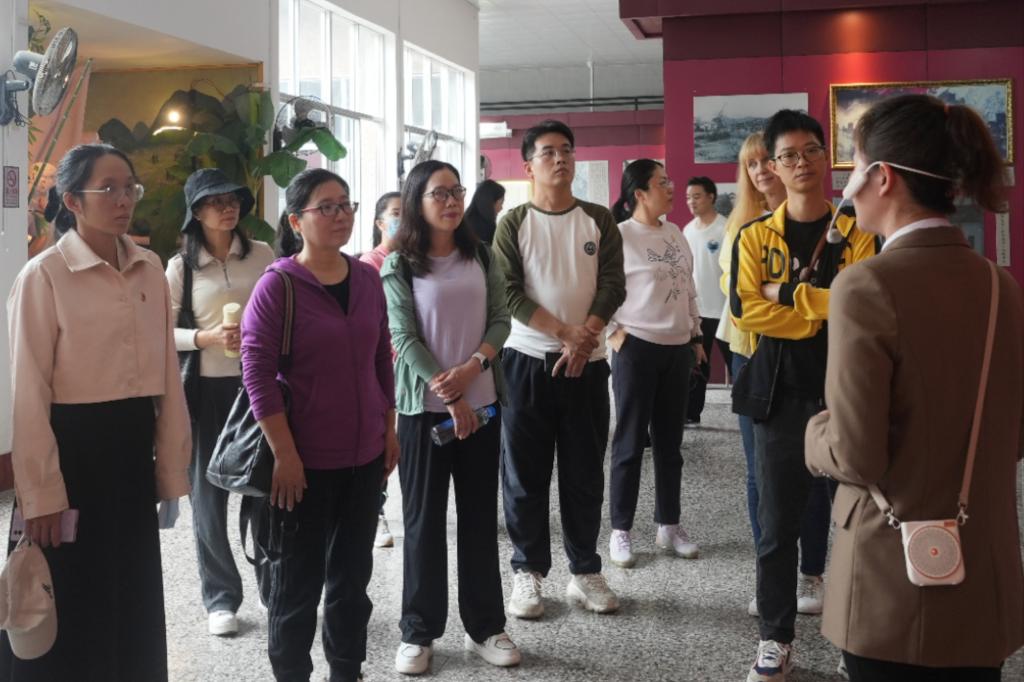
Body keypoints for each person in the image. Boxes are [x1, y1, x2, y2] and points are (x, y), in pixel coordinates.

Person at [805, 94, 1024, 681]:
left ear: (883, 177)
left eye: (854, 167)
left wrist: (814, 432)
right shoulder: (1000, 286)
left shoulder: (865, 285)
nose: (847, 187)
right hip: (983, 580)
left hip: (890, 580)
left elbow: (856, 453)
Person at [1, 143, 191, 680]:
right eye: (107, 189)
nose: (123, 199)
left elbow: (167, 379)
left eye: (130, 187)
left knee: (130, 590)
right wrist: (40, 493)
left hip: (129, 453)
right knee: (67, 594)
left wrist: (170, 467)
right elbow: (28, 393)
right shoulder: (44, 276)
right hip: (71, 454)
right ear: (72, 201)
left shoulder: (149, 270)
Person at [729, 110, 877, 682]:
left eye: (811, 150)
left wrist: (787, 294)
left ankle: (855, 638)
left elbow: (861, 305)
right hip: (779, 394)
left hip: (848, 392)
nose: (801, 162)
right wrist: (819, 306)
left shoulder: (859, 231)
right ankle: (774, 638)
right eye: (788, 154)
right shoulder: (754, 235)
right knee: (776, 526)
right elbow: (746, 309)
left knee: (858, 523)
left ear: (825, 156)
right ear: (772, 164)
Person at [241, 168, 399, 682]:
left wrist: (389, 428)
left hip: (364, 458)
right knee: (296, 586)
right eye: (326, 207)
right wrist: (284, 454)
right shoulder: (278, 286)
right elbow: (256, 374)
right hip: (303, 465)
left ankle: (346, 671)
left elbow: (380, 357)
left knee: (352, 584)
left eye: (345, 204)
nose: (340, 215)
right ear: (296, 221)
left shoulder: (367, 278)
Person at [382, 160, 520, 675]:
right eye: (439, 193)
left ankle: (485, 625)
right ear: (416, 202)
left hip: (483, 407)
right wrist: (451, 392)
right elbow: (403, 336)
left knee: (480, 518)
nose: (451, 201)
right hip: (424, 413)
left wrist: (472, 369)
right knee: (422, 522)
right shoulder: (399, 264)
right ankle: (418, 631)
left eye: (457, 191)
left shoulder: (480, 254)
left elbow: (501, 319)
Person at [492, 119, 626, 619]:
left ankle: (584, 569)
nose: (560, 158)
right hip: (526, 362)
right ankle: (527, 570)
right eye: (547, 152)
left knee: (584, 472)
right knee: (524, 475)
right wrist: (564, 332)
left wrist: (584, 336)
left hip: (587, 366)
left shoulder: (597, 219)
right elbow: (507, 291)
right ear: (528, 166)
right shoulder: (514, 222)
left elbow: (613, 284)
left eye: (566, 150)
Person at [717, 132, 829, 619]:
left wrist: (782, 296)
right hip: (754, 358)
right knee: (763, 476)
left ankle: (813, 572)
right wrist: (812, 314)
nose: (762, 170)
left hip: (819, 365)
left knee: (819, 472)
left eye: (768, 160)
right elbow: (743, 306)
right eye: (753, 164)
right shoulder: (743, 228)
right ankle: (773, 583)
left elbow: (852, 300)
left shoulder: (836, 227)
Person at [165, 168, 275, 636]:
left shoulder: (263, 254)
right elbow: (161, 331)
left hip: (258, 387)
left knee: (266, 491)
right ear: (196, 212)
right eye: (215, 202)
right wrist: (205, 337)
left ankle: (274, 586)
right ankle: (221, 597)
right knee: (208, 497)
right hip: (206, 390)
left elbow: (282, 307)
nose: (227, 208)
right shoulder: (181, 267)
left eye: (232, 200)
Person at [605, 159, 705, 569]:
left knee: (670, 445)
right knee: (629, 444)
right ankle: (621, 530)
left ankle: (669, 524)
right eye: (662, 182)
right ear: (640, 194)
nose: (671, 187)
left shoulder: (675, 232)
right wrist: (612, 332)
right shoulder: (619, 235)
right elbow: (597, 289)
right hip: (636, 348)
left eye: (669, 180)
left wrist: (695, 334)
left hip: (676, 349)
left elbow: (688, 287)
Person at [359, 190, 402, 549]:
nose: (404, 220)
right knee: (381, 441)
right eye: (396, 213)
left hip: (415, 370)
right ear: (379, 222)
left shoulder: (419, 260)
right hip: (384, 367)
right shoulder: (369, 264)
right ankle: (375, 512)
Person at [683, 176, 732, 424]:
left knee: (736, 362)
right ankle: (692, 414)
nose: (691, 202)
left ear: (711, 197)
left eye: (697, 196)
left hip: (725, 309)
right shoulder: (687, 230)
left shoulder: (726, 228)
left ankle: (746, 411)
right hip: (698, 312)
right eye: (688, 197)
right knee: (697, 364)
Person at [463, 179, 506, 244]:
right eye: (500, 203)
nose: (501, 208)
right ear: (489, 203)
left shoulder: (466, 219)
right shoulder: (486, 228)